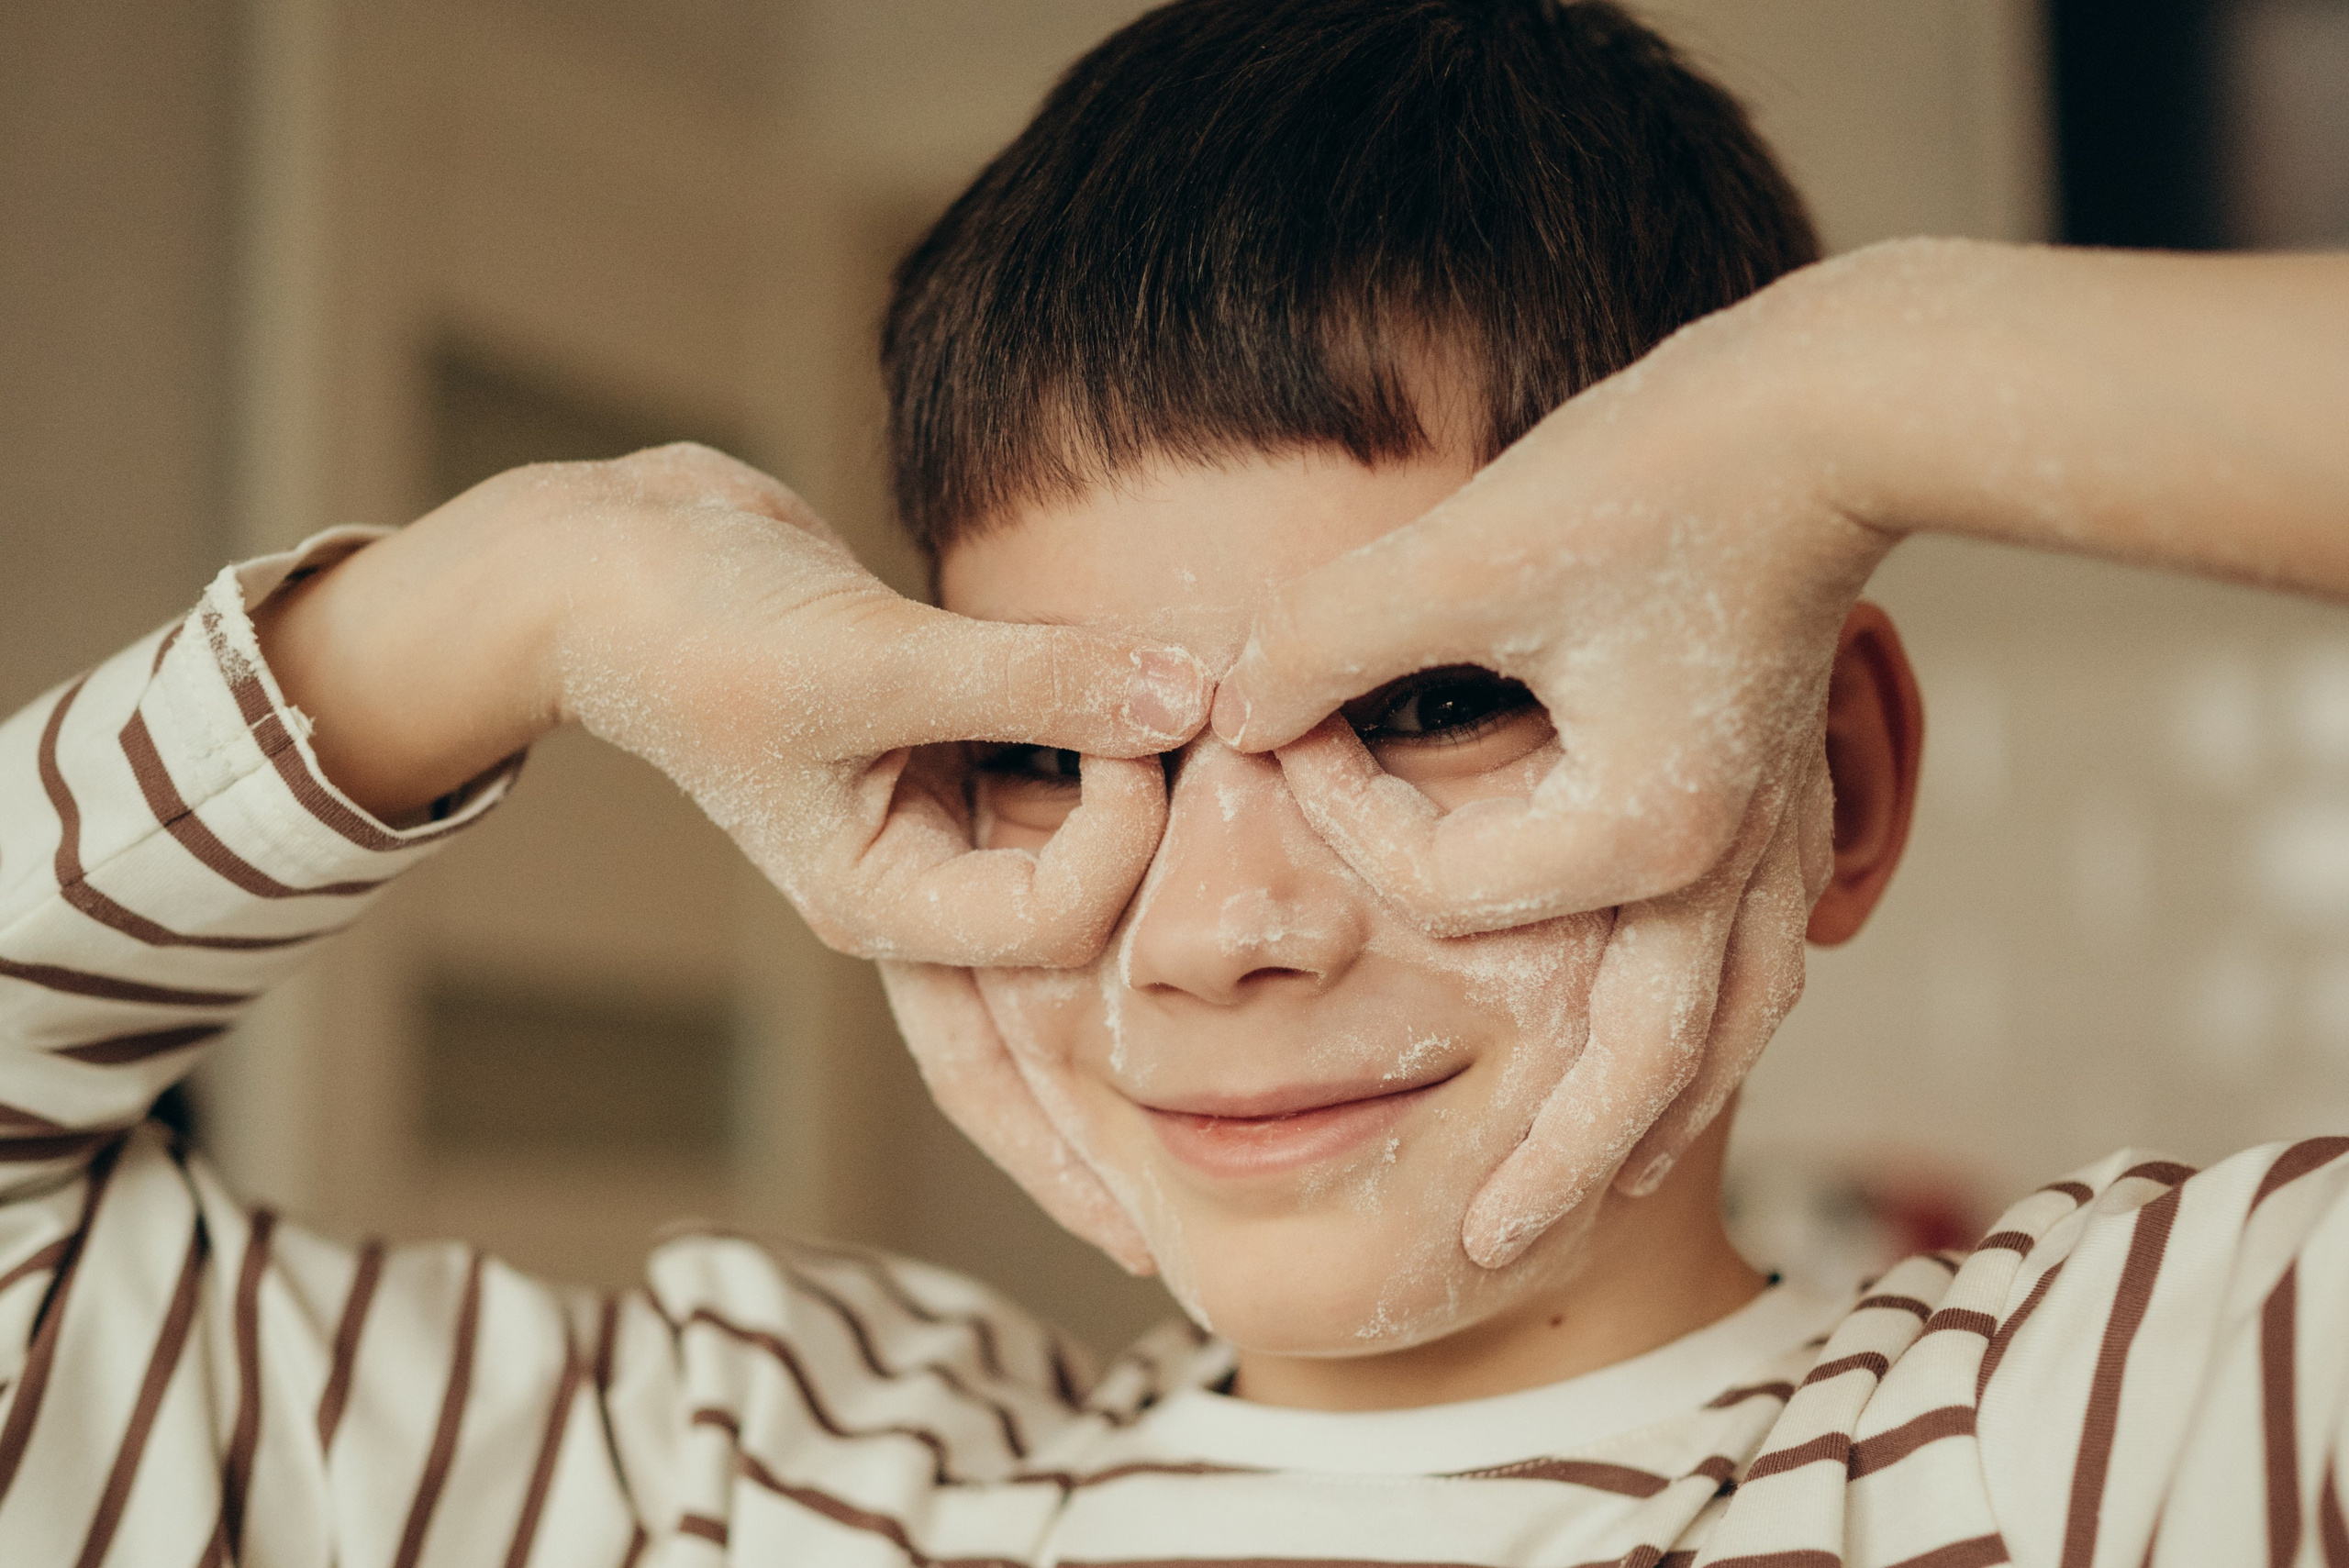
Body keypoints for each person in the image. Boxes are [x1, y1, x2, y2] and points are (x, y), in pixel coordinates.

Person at [0, 1, 2343, 1563]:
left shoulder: (2132, 1428)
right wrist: (527, 588)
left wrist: (1854, 393)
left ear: (1827, 771)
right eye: (1041, 752)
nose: (1216, 935)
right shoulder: (748, 1488)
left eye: (1428, 700)